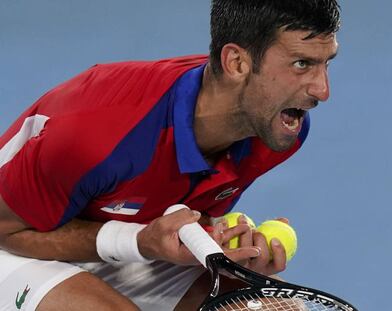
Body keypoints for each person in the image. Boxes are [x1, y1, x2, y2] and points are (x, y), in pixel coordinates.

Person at [0, 0, 340, 310]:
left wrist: (225, 246)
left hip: (120, 246)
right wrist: (139, 241)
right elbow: (7, 231)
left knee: (271, 309)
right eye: (301, 64)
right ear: (236, 62)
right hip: (11, 241)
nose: (322, 90)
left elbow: (177, 213)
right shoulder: (98, 131)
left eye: (325, 64)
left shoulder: (276, 128)